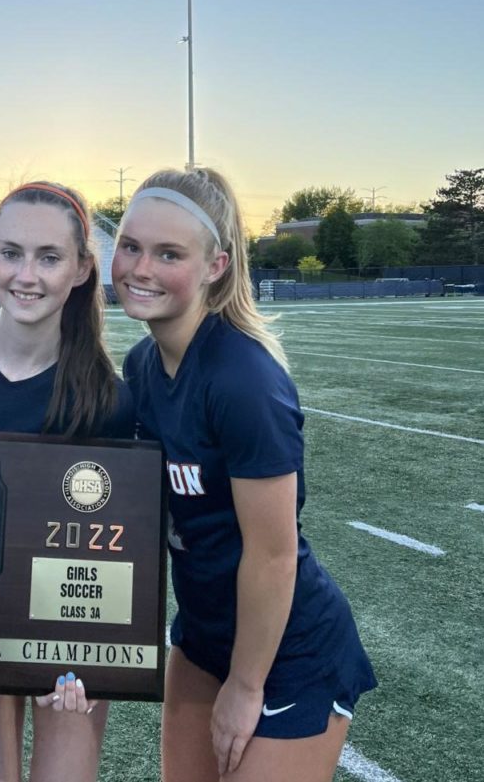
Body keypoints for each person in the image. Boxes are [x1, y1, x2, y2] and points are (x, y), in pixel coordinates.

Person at [112, 169, 376, 782]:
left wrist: (246, 683)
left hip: (286, 652)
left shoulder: (242, 379)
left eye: (169, 253)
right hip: (204, 634)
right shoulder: (143, 364)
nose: (140, 267)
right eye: (131, 245)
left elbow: (273, 555)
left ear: (215, 266)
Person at [0, 181, 135, 782]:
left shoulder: (110, 397)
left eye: (49, 257)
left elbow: (115, 543)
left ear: (83, 268)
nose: (26, 275)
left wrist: (103, 660)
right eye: (11, 253)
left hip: (70, 647)